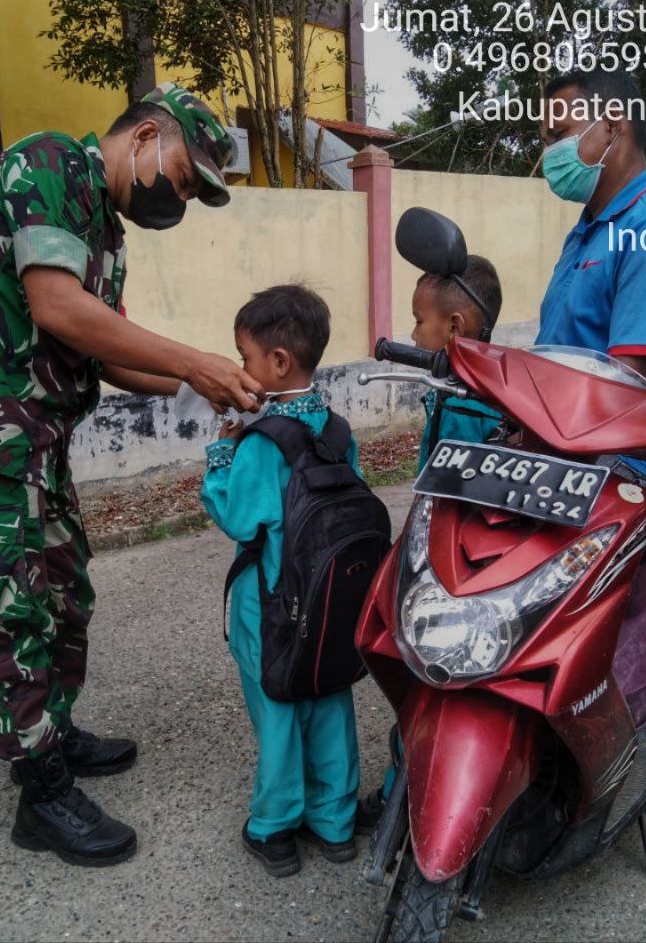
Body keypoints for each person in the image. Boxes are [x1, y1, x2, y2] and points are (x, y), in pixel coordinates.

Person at [0, 82, 264, 868]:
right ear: (145, 138)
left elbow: (108, 351)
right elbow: (58, 308)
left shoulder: (107, 235)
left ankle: (52, 733)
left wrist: (214, 383)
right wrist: (194, 361)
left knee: (65, 592)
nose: (181, 199)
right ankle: (40, 788)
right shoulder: (52, 162)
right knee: (8, 610)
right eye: (185, 178)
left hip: (30, 443)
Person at [200, 285, 362, 878]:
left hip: (269, 605)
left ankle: (274, 829)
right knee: (328, 699)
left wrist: (219, 456)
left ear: (277, 363)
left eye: (244, 356)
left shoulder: (261, 441)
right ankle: (336, 822)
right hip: (331, 603)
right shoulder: (338, 430)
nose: (240, 367)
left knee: (277, 708)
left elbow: (239, 519)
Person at [535, 69, 646, 410]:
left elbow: (627, 388)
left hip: (625, 457)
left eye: (559, 136)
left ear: (613, 125)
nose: (550, 155)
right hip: (565, 449)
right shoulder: (589, 229)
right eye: (546, 142)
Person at [410, 255, 506, 470]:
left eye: (419, 321)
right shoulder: (484, 388)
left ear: (454, 327)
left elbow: (449, 491)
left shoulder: (460, 408)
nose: (414, 335)